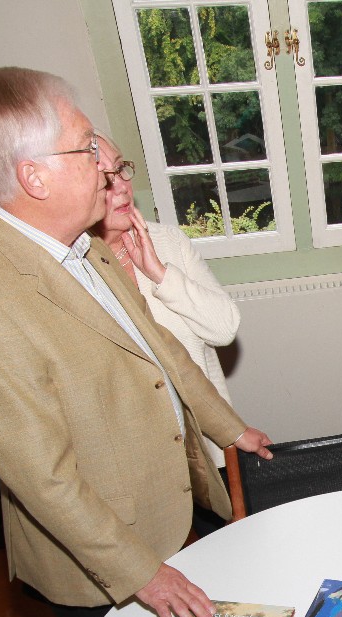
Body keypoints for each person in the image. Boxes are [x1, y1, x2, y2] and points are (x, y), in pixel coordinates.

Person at [0, 67, 272, 617]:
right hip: (103, 562)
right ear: (34, 176)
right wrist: (144, 574)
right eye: (87, 148)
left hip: (162, 509)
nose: (105, 166)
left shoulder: (83, 243)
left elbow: (159, 348)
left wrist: (229, 429)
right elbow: (43, 478)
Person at [92, 136, 241, 535]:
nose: (122, 185)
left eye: (121, 169)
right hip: (138, 462)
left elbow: (225, 327)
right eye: (104, 179)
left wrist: (160, 274)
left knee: (227, 544)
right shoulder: (74, 268)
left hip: (206, 442)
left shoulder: (167, 242)